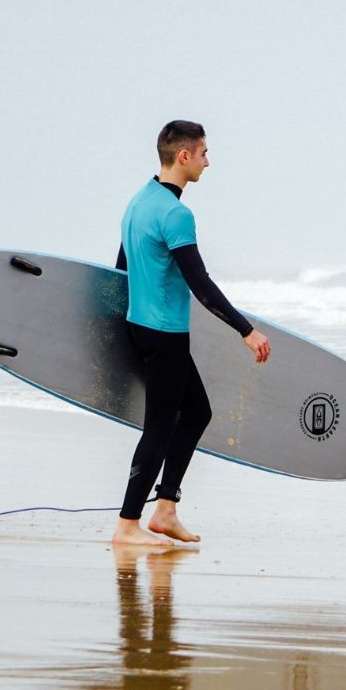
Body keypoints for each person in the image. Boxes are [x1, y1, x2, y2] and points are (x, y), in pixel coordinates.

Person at [112, 121, 270, 546]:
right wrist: (246, 330)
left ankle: (165, 509)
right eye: (203, 153)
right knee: (159, 428)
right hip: (165, 334)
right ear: (184, 156)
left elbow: (121, 271)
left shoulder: (138, 202)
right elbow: (199, 283)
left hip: (140, 327)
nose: (207, 162)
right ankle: (127, 525)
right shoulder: (176, 214)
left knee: (197, 412)